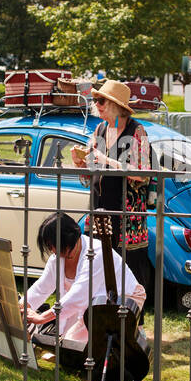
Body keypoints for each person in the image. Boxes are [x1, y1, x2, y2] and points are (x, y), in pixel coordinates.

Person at [70, 78, 152, 317]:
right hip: (99, 209)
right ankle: (98, 318)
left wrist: (104, 159)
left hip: (127, 217)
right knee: (97, 266)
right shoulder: (100, 130)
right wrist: (81, 163)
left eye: (101, 101)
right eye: (96, 100)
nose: (97, 105)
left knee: (128, 269)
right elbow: (90, 173)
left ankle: (132, 326)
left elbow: (142, 172)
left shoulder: (136, 131)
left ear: (116, 105)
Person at [19, 213, 145, 366]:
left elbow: (78, 295)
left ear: (71, 239)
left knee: (73, 348)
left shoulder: (95, 253)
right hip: (88, 304)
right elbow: (41, 287)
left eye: (55, 245)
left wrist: (41, 318)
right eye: (50, 246)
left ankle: (128, 339)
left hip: (124, 298)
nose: (53, 251)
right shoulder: (57, 258)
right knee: (68, 346)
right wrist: (21, 305)